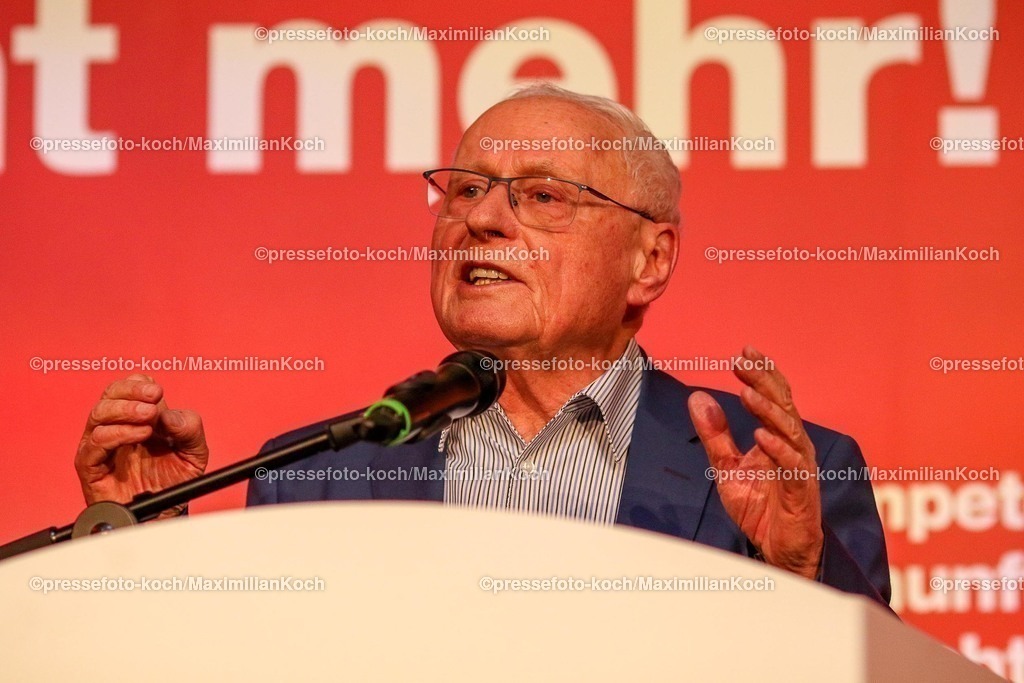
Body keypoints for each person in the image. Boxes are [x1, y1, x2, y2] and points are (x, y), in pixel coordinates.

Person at [74, 83, 891, 605]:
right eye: (464, 189)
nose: (482, 218)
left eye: (543, 195)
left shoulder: (793, 477)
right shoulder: (312, 477)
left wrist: (801, 578)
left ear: (650, 259)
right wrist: (148, 560)